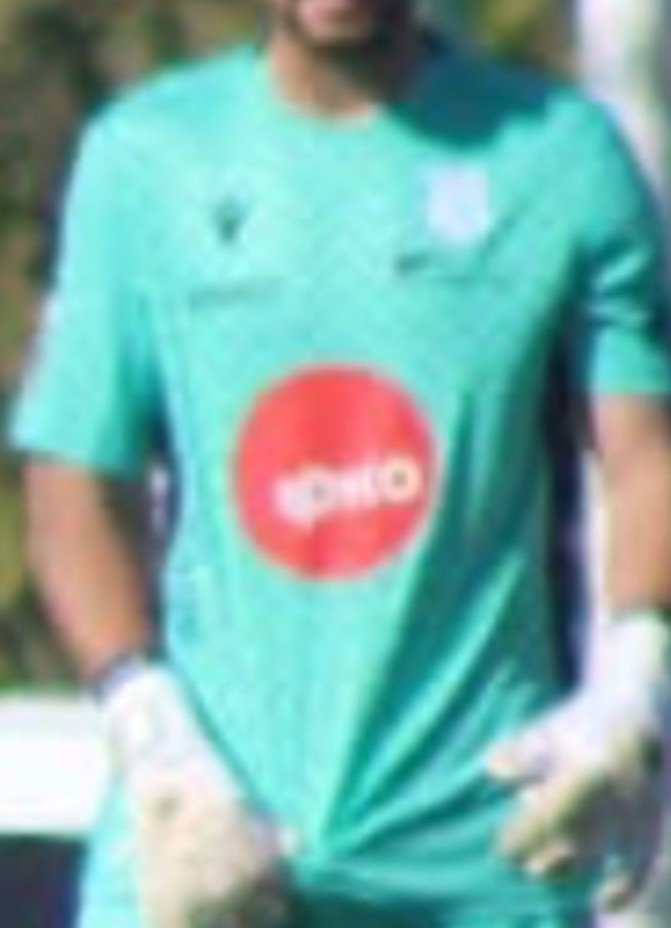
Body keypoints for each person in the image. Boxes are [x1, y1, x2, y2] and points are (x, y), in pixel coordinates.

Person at [8, 1, 671, 927]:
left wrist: (637, 686)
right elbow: (74, 474)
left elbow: (648, 451)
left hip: (484, 859)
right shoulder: (149, 159)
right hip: (207, 855)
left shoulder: (557, 157)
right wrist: (153, 742)